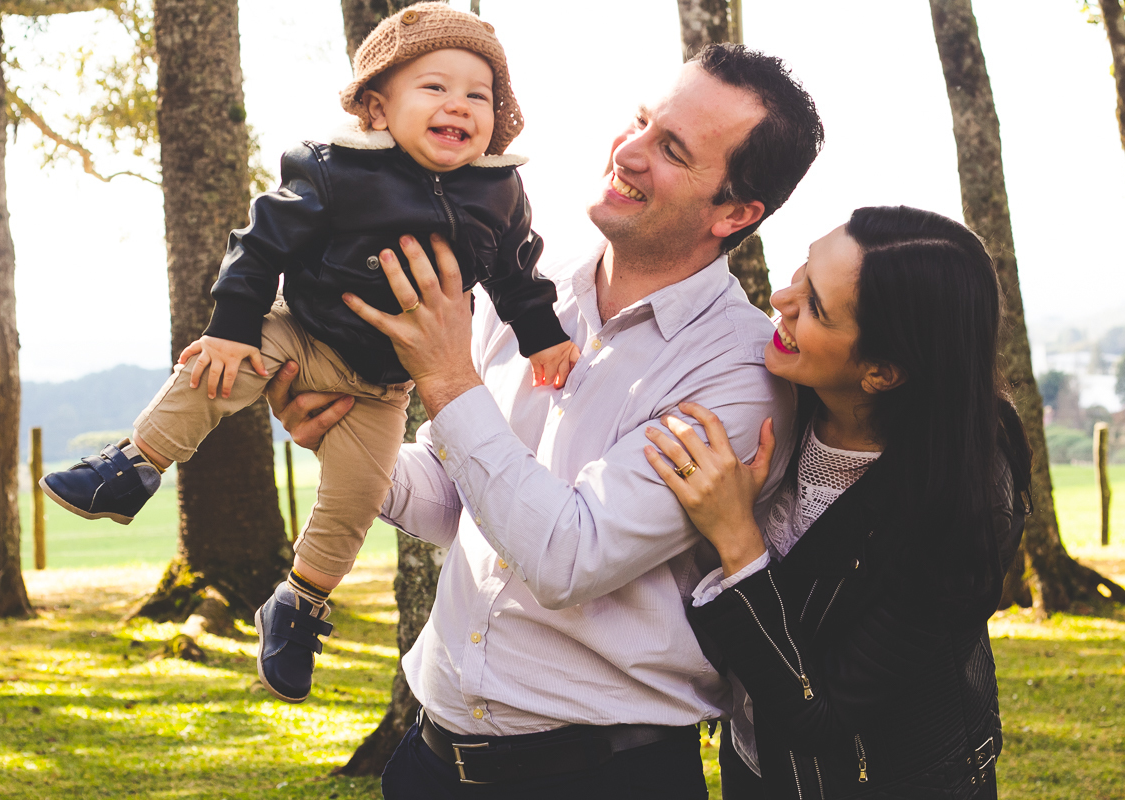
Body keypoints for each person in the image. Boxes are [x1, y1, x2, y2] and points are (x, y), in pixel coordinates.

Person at [270, 44, 824, 799]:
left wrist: (445, 374)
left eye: (671, 149)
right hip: (430, 763)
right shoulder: (532, 287)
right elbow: (456, 499)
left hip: (604, 777)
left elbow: (570, 559)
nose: (626, 153)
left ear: (735, 212)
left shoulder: (739, 373)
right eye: (639, 121)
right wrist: (342, 432)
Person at [38, 3, 580, 706]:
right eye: (435, 88)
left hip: (385, 387)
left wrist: (544, 337)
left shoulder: (501, 190)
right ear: (379, 110)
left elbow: (516, 271)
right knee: (215, 368)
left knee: (353, 502)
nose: (459, 106)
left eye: (479, 95)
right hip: (302, 333)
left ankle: (297, 607)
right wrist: (233, 326)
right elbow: (258, 244)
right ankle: (133, 465)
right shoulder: (336, 170)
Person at [644, 206, 1032, 798]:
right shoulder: (779, 406)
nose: (780, 298)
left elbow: (821, 716)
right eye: (801, 272)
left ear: (881, 372)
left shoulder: (960, 512)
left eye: (815, 307)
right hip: (756, 770)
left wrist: (737, 539)